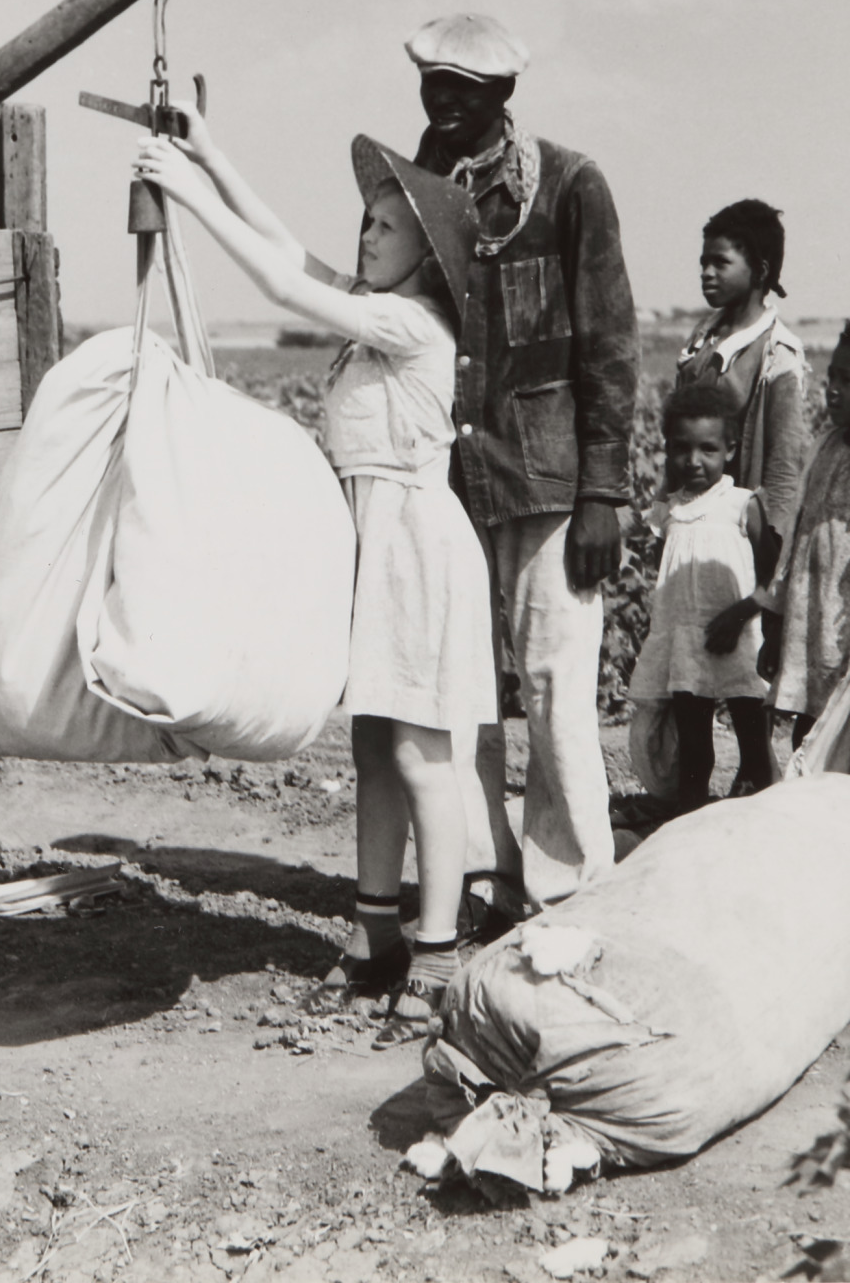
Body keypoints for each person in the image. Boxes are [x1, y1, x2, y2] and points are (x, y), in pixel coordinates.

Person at [132, 122, 511, 1031]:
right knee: (375, 748)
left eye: (386, 227)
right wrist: (213, 153)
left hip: (416, 547)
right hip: (374, 544)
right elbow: (284, 246)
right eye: (368, 223)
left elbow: (275, 281)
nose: (367, 237)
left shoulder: (412, 323)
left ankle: (438, 949)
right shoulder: (377, 308)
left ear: (427, 254)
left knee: (424, 755)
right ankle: (372, 932)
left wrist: (181, 192)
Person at [404, 13, 637, 912]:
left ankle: (577, 894)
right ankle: (476, 874)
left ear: (503, 94)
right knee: (462, 693)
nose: (444, 103)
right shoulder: (420, 187)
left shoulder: (570, 185)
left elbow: (611, 344)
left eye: (463, 89)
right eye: (433, 86)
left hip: (546, 476)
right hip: (447, 476)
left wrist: (602, 493)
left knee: (553, 690)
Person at [708, 311, 850, 758]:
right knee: (808, 729)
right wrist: (775, 627)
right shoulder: (825, 445)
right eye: (830, 377)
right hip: (811, 618)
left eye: (847, 379)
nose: (832, 389)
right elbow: (798, 542)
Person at [626, 380, 764, 804]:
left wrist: (742, 613)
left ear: (731, 450)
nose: (693, 461)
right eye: (681, 448)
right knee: (694, 738)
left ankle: (758, 804)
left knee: (751, 729)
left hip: (736, 633)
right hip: (685, 637)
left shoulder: (742, 504)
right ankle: (689, 815)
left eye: (708, 449)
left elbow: (774, 574)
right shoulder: (669, 510)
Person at [674, 199, 808, 587]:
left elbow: (783, 470)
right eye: (703, 263)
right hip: (690, 528)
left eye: (720, 263)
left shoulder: (777, 353)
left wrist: (767, 576)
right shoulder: (700, 341)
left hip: (741, 545)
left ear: (760, 271)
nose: (706, 273)